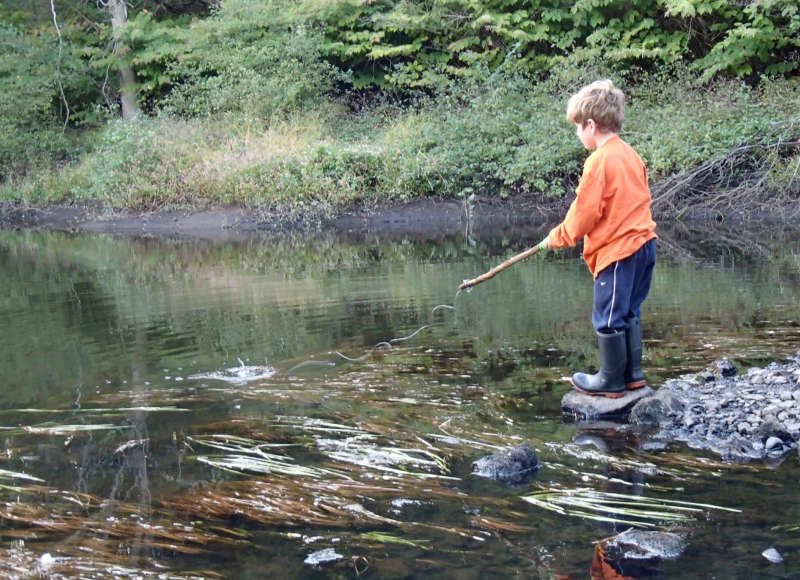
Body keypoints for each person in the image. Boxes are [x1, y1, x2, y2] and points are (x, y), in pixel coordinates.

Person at [539, 79, 657, 398]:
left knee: (607, 318)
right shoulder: (631, 155)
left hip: (619, 252)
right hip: (645, 245)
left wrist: (557, 237)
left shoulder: (599, 162)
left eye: (578, 127)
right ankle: (633, 376)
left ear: (591, 124)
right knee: (630, 311)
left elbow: (585, 213)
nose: (578, 134)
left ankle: (610, 381)